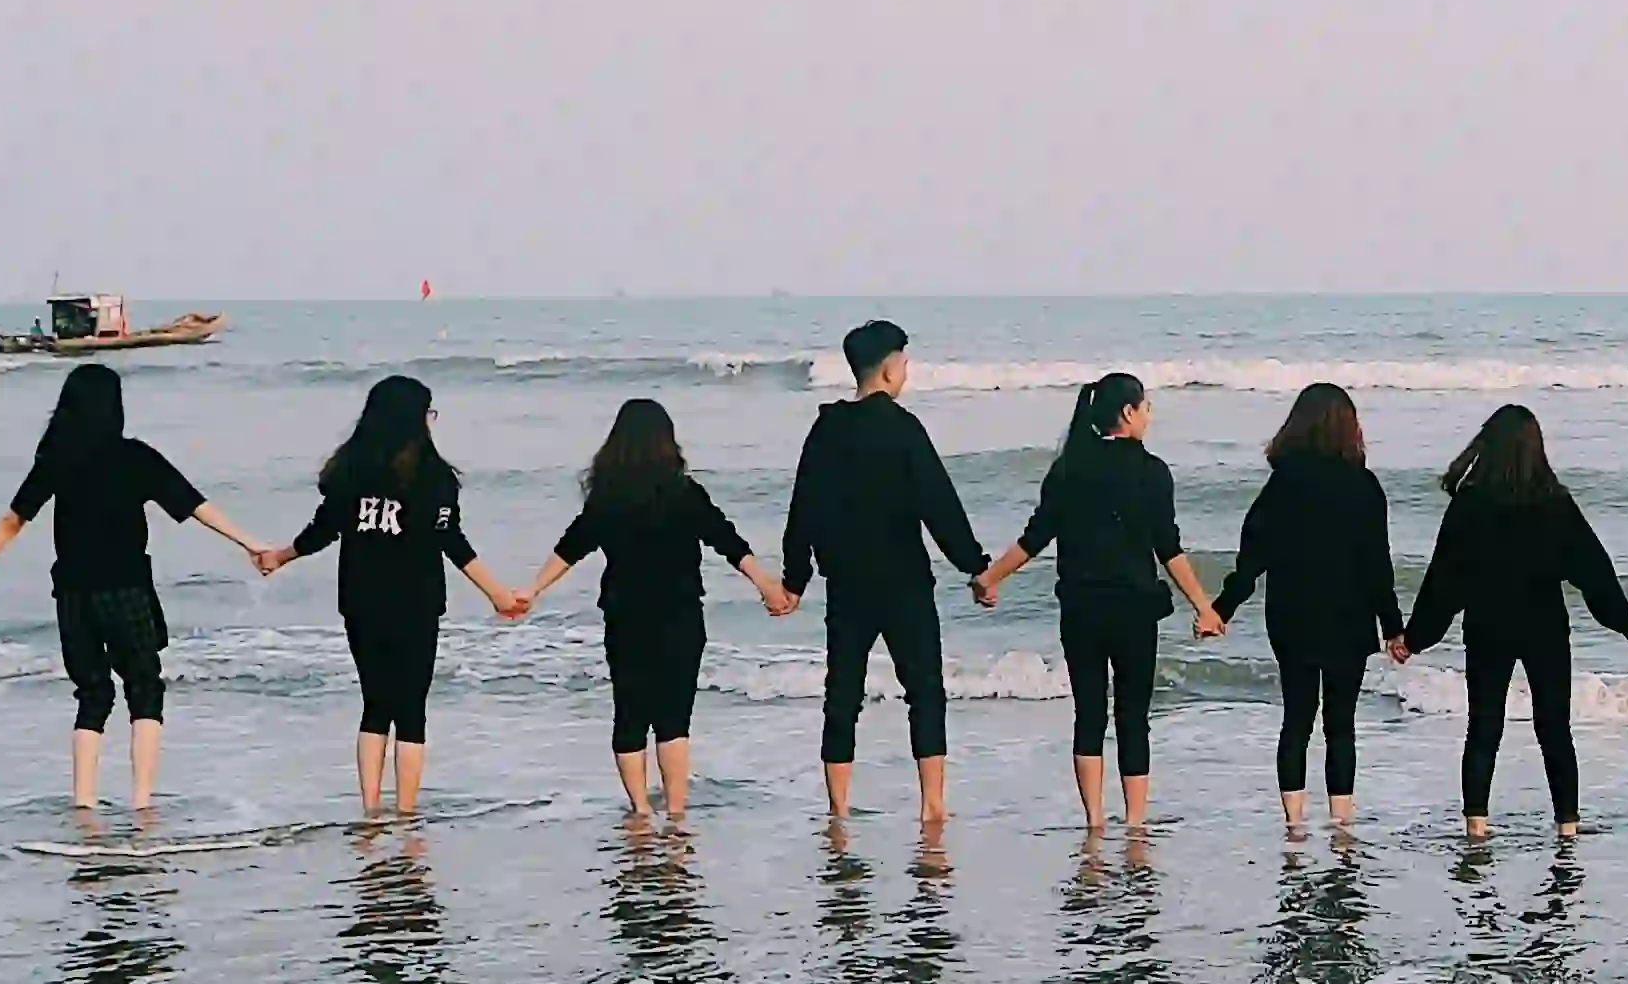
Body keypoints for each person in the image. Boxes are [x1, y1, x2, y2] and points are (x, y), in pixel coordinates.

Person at [0, 362, 263, 811]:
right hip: (126, 589)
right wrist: (251, 544)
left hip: (73, 594)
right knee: (145, 687)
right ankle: (141, 803)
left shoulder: (57, 459)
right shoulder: (135, 456)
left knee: (93, 692)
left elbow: (13, 518)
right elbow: (195, 505)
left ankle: (83, 803)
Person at [257, 376, 527, 819]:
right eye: (429, 413)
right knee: (412, 708)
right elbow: (451, 542)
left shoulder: (349, 472)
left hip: (361, 601)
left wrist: (280, 557)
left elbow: (322, 531)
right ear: (415, 420)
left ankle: (370, 810)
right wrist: (498, 594)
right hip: (417, 602)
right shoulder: (434, 478)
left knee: (375, 703)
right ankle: (405, 813)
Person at [978, 370, 1228, 836]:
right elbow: (1168, 549)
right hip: (1135, 611)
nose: (1150, 415)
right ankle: (1134, 824)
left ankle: (1094, 823)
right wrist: (1204, 607)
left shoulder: (1068, 469)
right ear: (1129, 413)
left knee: (1089, 713)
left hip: (1081, 609)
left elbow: (1033, 539)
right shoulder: (1153, 472)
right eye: (1147, 407)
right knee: (1133, 716)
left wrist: (990, 577)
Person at [518, 396, 793, 819]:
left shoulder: (607, 499)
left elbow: (570, 548)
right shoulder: (685, 493)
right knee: (674, 718)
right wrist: (767, 585)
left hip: (625, 617)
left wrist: (532, 589)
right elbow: (728, 542)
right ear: (667, 442)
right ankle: (677, 814)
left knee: (629, 712)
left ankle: (641, 813)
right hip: (680, 616)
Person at [1399, 404, 1628, 839]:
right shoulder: (1555, 503)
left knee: (1483, 727)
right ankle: (1568, 829)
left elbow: (1443, 580)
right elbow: (1594, 571)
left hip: (1487, 626)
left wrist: (1416, 637)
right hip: (1544, 626)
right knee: (1555, 729)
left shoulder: (1471, 504)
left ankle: (1476, 829)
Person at [779, 320, 990, 830]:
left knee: (842, 694)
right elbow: (939, 504)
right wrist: (976, 566)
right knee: (924, 691)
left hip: (847, 585)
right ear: (891, 367)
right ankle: (932, 805)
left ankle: (839, 808)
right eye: (905, 362)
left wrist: (794, 578)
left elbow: (802, 506)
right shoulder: (903, 428)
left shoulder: (826, 428)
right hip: (905, 583)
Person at [1221, 381, 1408, 838]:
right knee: (1340, 724)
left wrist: (1222, 608)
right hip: (1348, 619)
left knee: (1296, 720)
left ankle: (1294, 825)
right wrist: (1394, 628)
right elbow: (1376, 563)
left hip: (1292, 618)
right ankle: (1342, 827)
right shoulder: (1364, 486)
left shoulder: (1280, 484)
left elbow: (1252, 556)